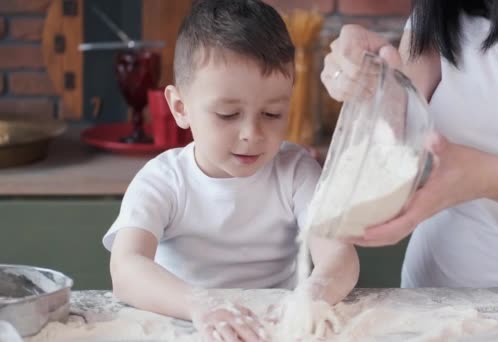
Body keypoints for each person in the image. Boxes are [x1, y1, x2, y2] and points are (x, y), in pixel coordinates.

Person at [102, 0, 359, 341]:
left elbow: (340, 255)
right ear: (181, 108)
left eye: (272, 114)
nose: (251, 133)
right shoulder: (164, 180)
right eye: (227, 114)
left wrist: (311, 297)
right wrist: (200, 305)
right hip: (184, 325)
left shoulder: (296, 171)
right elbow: (126, 268)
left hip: (274, 328)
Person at [322, 0, 498, 288]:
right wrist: (368, 78)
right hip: (430, 301)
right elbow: (399, 138)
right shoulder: (442, 10)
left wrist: (487, 178)